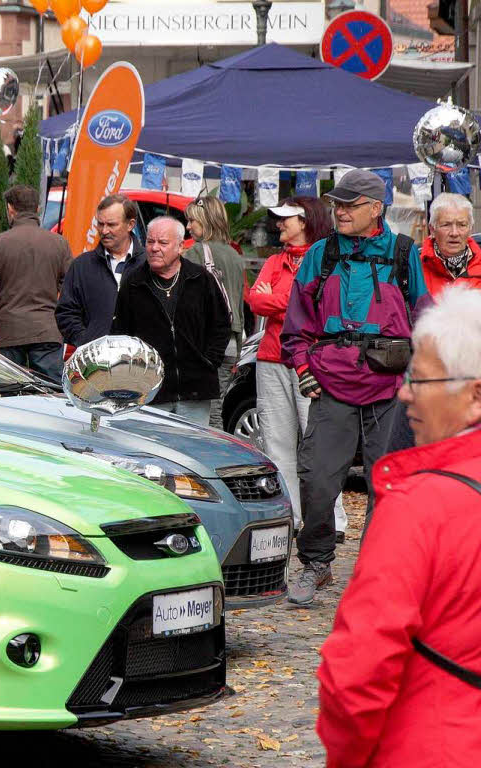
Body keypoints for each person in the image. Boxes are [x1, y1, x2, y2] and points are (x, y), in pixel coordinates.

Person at [317, 284, 481, 767]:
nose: (405, 393)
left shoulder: (421, 506)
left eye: (421, 380)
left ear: (474, 396)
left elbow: (356, 676)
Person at [281, 169, 427, 605]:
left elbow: (422, 317)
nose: (340, 212)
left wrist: (418, 379)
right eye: (337, 205)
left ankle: (376, 570)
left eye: (349, 205)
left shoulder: (403, 253)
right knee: (318, 480)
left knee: (389, 482)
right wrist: (305, 370)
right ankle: (317, 564)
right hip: (331, 384)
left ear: (375, 209)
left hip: (390, 387)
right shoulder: (321, 255)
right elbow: (296, 324)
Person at [249, 197, 347, 539]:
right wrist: (289, 301)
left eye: (285, 219)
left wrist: (277, 299)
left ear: (305, 221)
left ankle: (332, 521)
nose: (279, 225)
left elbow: (309, 303)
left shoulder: (322, 257)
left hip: (309, 359)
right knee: (276, 442)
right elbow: (254, 299)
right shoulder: (277, 260)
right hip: (271, 358)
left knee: (317, 440)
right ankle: (290, 517)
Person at [111, 216, 231, 426]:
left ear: (180, 247)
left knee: (192, 450)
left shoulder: (200, 279)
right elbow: (120, 334)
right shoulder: (134, 282)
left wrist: (209, 361)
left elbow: (221, 324)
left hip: (195, 391)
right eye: (150, 242)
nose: (154, 248)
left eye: (163, 243)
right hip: (151, 392)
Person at [388, 192, 481, 453]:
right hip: (422, 378)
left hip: (473, 380)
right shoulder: (412, 266)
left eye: (461, 225)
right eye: (446, 224)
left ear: (470, 228)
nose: (454, 232)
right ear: (431, 229)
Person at [0, 184, 72, 382]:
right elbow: (71, 289)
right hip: (46, 330)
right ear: (37, 209)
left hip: (8, 330)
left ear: (10, 209)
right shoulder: (59, 243)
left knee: (9, 394)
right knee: (54, 394)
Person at [182, 196, 246, 429]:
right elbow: (238, 306)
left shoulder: (196, 253)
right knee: (216, 405)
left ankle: (211, 458)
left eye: (192, 221)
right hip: (230, 343)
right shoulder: (235, 256)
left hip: (204, 345)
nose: (188, 227)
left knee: (201, 411)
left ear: (206, 221)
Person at [56, 193, 145, 347]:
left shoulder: (149, 263)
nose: (104, 231)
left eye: (111, 225)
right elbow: (66, 312)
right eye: (100, 224)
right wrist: (86, 342)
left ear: (130, 225)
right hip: (95, 362)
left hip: (142, 362)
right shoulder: (82, 265)